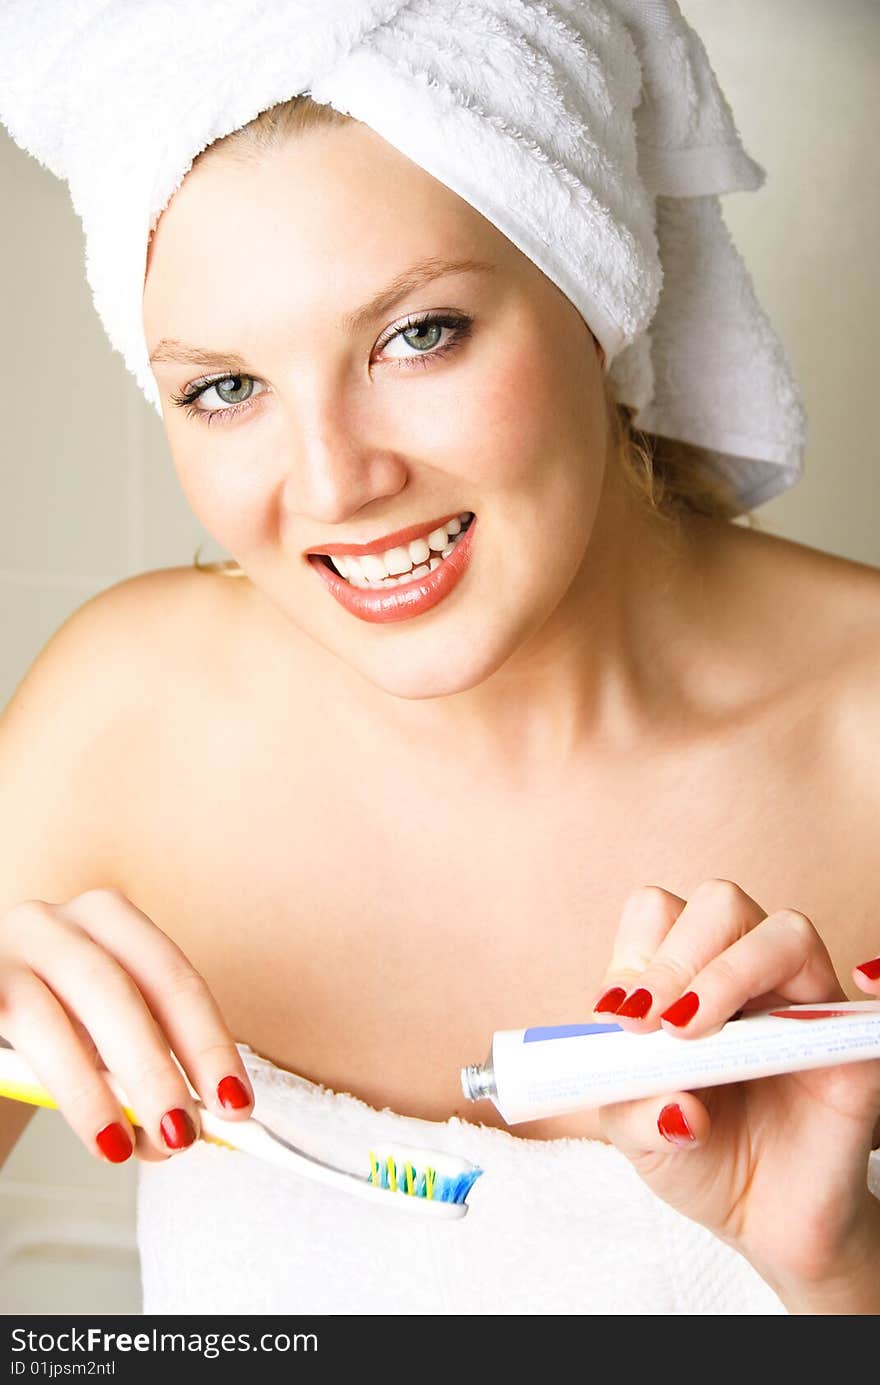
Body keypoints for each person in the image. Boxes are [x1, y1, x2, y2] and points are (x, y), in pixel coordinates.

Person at [1, 1, 878, 1316]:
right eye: (225, 387)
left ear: (596, 290)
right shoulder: (123, 723)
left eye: (421, 334)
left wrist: (835, 1266)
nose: (336, 481)